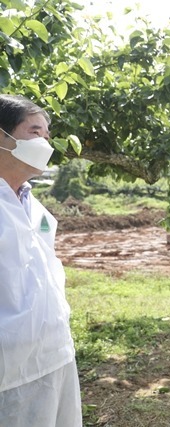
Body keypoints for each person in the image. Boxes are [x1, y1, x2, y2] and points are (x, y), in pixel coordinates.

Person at [0, 95, 81, 426]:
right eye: (35, 132)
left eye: (47, 136)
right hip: (10, 371)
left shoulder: (37, 208)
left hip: (56, 354)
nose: (45, 143)